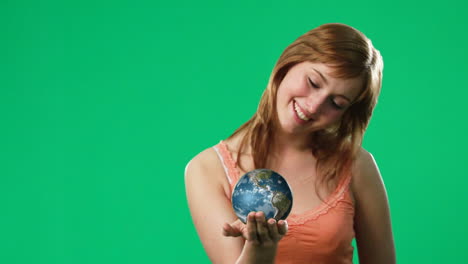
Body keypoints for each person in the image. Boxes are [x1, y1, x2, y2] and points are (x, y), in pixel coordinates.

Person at [185, 23, 396, 264]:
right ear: (290, 63)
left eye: (336, 103)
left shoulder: (356, 164)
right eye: (314, 82)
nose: (315, 105)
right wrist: (260, 250)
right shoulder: (207, 169)